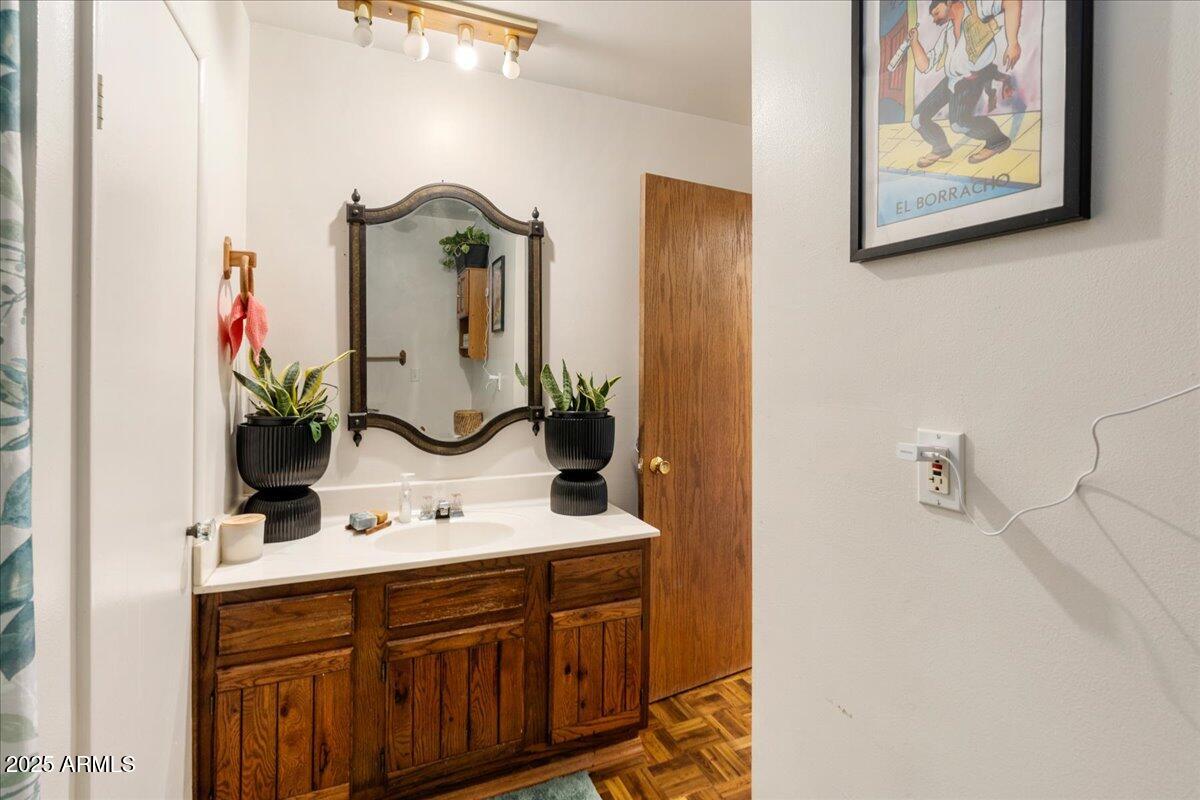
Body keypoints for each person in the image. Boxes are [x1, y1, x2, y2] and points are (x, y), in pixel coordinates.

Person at [908, 0, 1022, 167]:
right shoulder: (947, 31)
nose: (934, 19)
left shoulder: (977, 8)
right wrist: (914, 42)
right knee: (918, 119)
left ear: (947, 2)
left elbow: (1011, 2)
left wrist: (1013, 43)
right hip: (952, 79)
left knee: (958, 124)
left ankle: (997, 140)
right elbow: (925, 65)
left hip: (971, 79)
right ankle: (940, 148)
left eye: (936, 12)